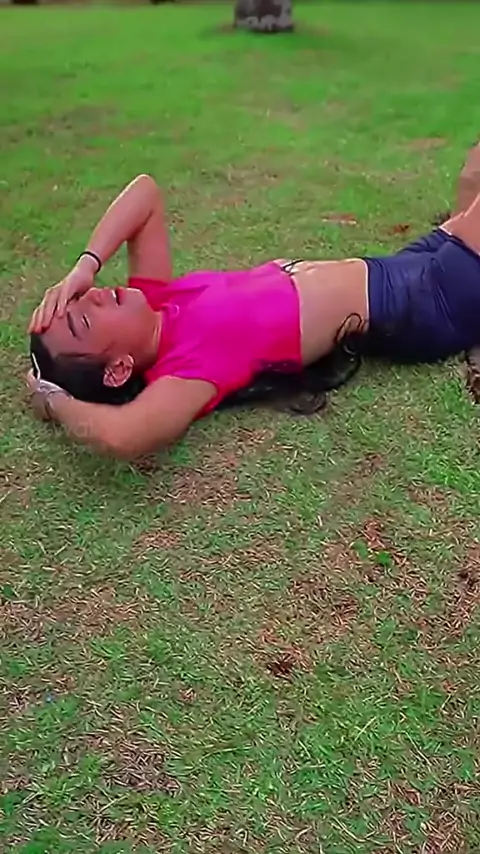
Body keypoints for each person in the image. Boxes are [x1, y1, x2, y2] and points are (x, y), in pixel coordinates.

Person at [27, 174, 480, 460]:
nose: (93, 297)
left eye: (79, 300)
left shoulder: (156, 298)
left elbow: (145, 192)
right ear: (118, 369)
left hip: (401, 267)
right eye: (83, 320)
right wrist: (53, 401)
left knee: (472, 175)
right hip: (424, 303)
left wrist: (85, 265)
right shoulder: (185, 371)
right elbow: (124, 436)